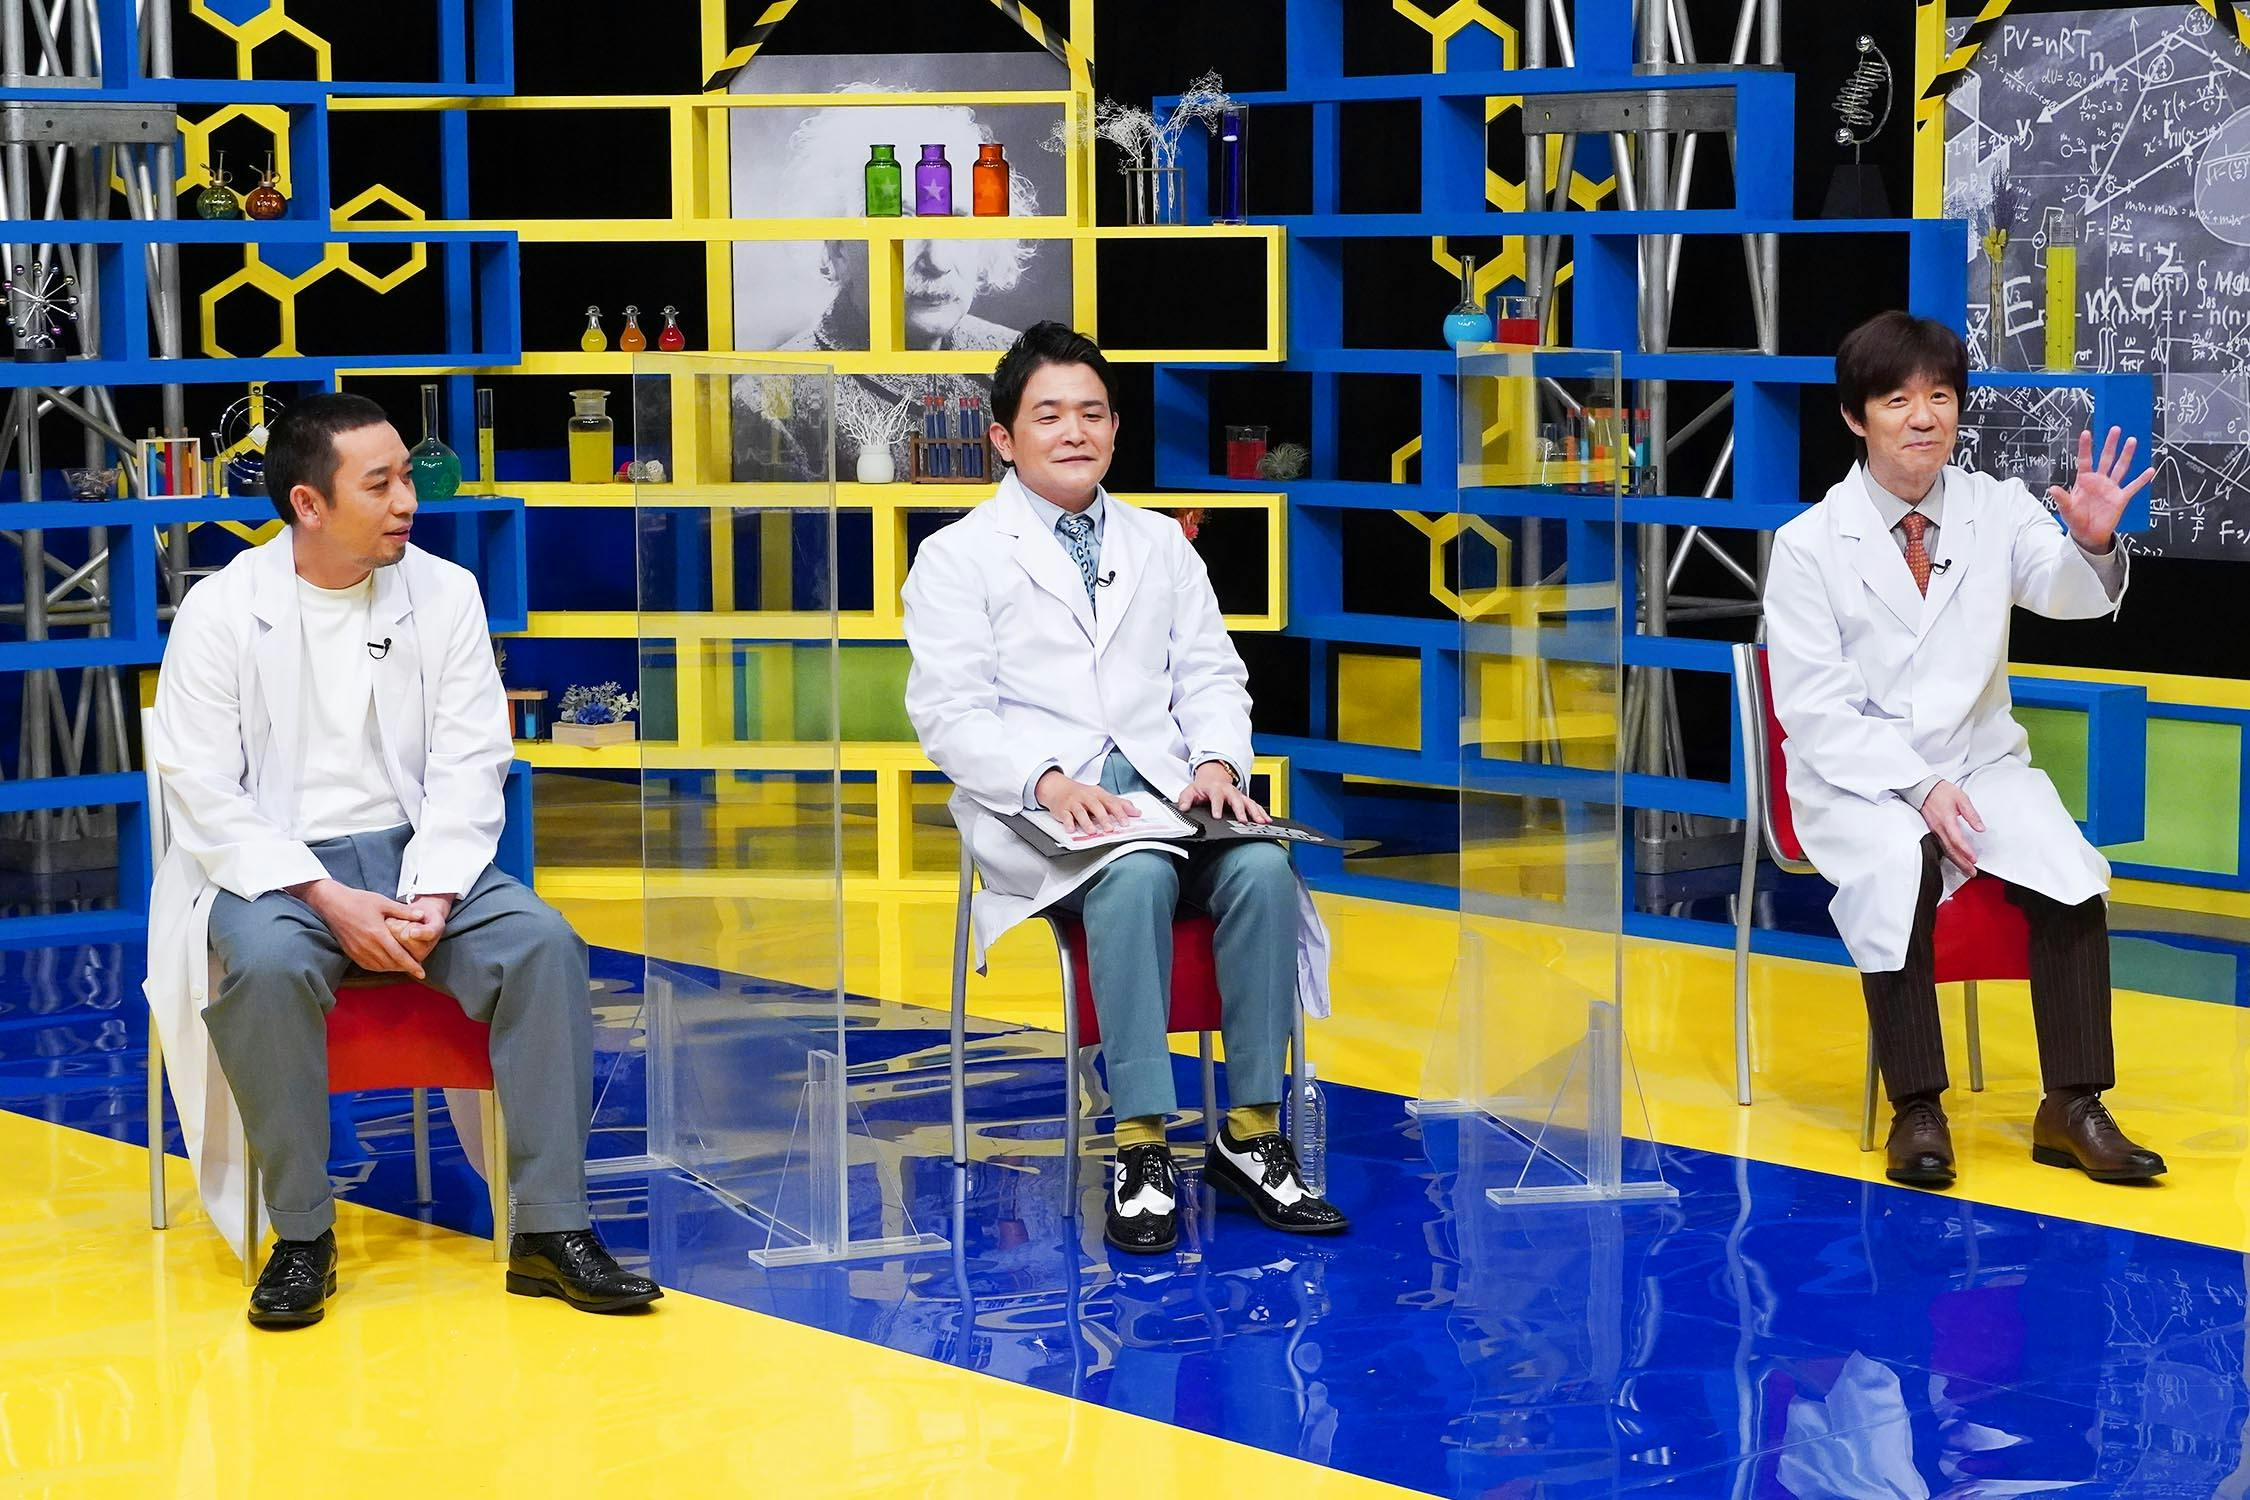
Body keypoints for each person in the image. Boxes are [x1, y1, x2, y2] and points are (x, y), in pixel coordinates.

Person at [146, 393, 659, 1326]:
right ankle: (303, 1236)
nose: (407, 501)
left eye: (407, 477)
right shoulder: (221, 610)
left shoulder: (445, 591)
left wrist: (431, 896)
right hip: (278, 869)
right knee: (268, 965)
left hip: (425, 855)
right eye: (379, 484)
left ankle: (551, 1230)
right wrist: (325, 896)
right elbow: (204, 790)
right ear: (308, 504)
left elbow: (473, 760)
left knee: (543, 946)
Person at [902, 322, 1348, 1253]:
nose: (1075, 431)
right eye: (1049, 415)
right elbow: (949, 712)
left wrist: (1218, 763)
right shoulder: (956, 556)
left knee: (1264, 871)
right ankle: (1141, 1142)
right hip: (1042, 808)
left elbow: (1212, 675)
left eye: (1093, 413)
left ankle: (1250, 1133)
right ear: (1003, 437)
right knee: (1136, 874)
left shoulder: (1160, 543)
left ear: (1115, 428)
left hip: (1171, 795)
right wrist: (1045, 780)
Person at [1763, 311, 2164, 1190]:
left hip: (1981, 762)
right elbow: (1815, 711)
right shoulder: (1807, 546)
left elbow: (2067, 593)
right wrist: (1916, 785)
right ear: (1855, 417)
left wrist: (2092, 541)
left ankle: (2074, 1105)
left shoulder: (1998, 508)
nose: (1923, 417)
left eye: (1940, 397)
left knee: (2069, 869)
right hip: (1859, 779)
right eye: (1897, 400)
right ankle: (1917, 1107)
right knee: (1897, 861)